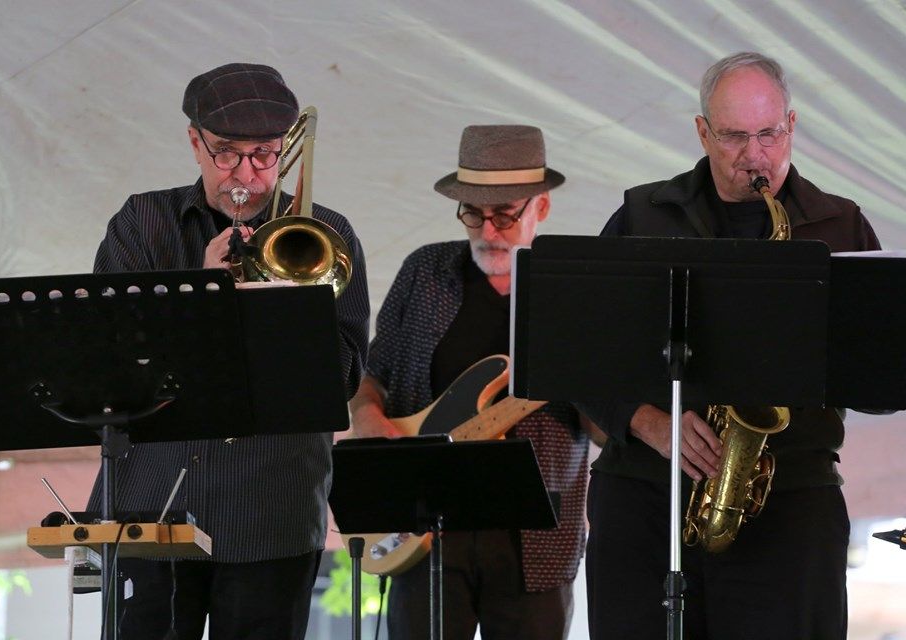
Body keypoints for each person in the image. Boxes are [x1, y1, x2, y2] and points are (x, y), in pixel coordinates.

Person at [583, 51, 883, 640]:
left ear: (791, 125)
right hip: (648, 498)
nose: (755, 155)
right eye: (734, 136)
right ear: (702, 132)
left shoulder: (840, 227)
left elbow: (875, 374)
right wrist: (648, 422)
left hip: (791, 503)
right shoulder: (643, 216)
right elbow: (577, 353)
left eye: (769, 134)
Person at [88, 62, 370, 640]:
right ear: (195, 142)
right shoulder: (142, 222)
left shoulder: (326, 233)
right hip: (154, 501)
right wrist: (201, 292)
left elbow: (342, 381)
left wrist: (287, 314)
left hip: (272, 505)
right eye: (226, 154)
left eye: (264, 154)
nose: (246, 175)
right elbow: (110, 359)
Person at [350, 125, 600, 639]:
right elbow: (374, 376)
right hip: (426, 527)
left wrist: (591, 379)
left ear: (541, 207)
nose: (488, 231)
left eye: (505, 214)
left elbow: (603, 428)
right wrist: (367, 416)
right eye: (472, 214)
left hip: (536, 536)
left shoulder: (575, 290)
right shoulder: (425, 271)